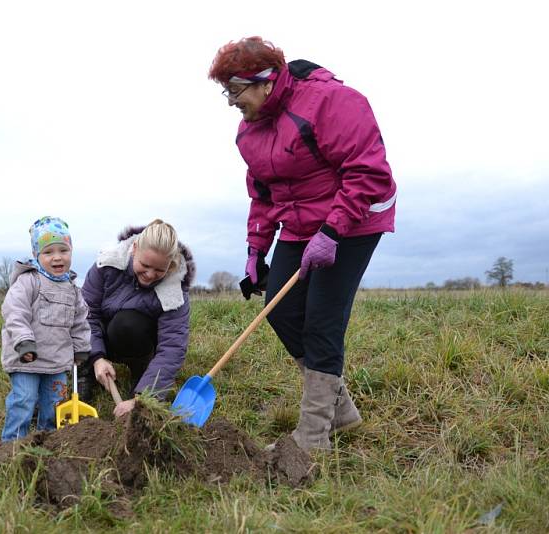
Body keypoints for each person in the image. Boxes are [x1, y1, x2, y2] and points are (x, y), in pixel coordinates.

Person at [209, 37, 397, 452]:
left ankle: (313, 438)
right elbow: (262, 194)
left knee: (322, 321)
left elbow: (370, 171)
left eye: (235, 90)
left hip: (355, 217)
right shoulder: (248, 133)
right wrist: (256, 250)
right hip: (299, 224)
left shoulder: (333, 102)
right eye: (226, 91)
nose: (230, 101)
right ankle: (342, 412)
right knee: (281, 309)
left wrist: (331, 233)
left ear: (265, 80)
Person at [78, 220, 195, 418]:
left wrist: (143, 397)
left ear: (171, 264)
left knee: (128, 323)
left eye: (159, 270)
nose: (150, 275)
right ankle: (86, 371)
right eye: (145, 265)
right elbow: (85, 315)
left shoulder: (175, 292)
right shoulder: (107, 265)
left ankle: (142, 371)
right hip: (102, 336)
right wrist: (97, 357)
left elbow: (172, 347)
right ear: (134, 248)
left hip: (138, 339)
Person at [0, 216, 91, 441]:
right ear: (37, 255)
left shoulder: (72, 288)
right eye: (49, 252)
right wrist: (24, 341)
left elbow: (80, 322)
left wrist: (81, 348)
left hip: (58, 361)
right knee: (24, 400)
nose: (57, 257)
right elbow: (15, 312)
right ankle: (13, 445)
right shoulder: (29, 281)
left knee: (54, 404)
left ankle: (47, 442)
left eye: (63, 250)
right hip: (26, 359)